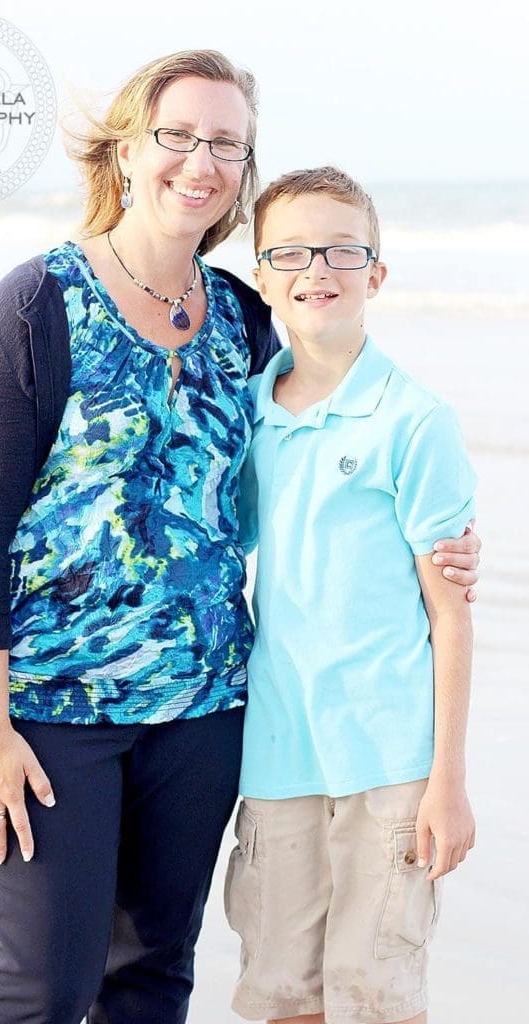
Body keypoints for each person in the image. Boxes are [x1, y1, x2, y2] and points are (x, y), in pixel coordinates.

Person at [0, 49, 480, 1024]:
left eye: (228, 143)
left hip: (203, 712)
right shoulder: (36, 304)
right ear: (128, 153)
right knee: (39, 985)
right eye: (178, 136)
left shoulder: (239, 317)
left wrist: (433, 539)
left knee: (151, 977)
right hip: (48, 710)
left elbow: (325, 425)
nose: (201, 161)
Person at [224, 166, 479, 1024]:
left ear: (375, 273)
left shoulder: (414, 419)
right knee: (282, 992)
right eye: (289, 253)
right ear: (261, 276)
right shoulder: (246, 411)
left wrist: (447, 780)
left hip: (390, 765)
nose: (315, 270)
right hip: (277, 753)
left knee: (372, 998)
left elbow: (448, 614)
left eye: (341, 250)